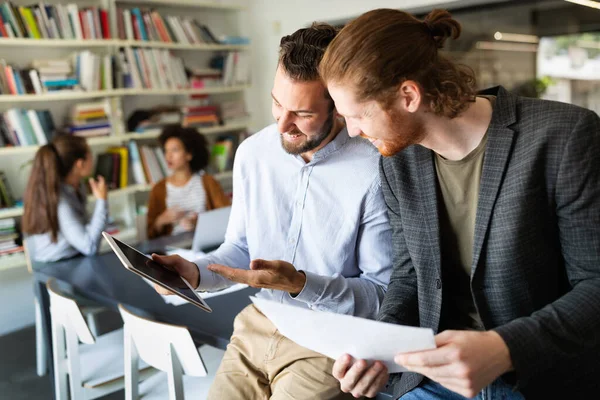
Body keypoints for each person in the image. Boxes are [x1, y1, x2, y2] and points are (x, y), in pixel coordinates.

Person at [318, 8, 600, 400]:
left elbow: (595, 284)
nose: (352, 131)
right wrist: (376, 350)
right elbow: (408, 278)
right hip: (434, 378)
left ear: (408, 96)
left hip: (536, 377)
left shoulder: (565, 135)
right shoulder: (397, 163)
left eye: (357, 115)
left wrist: (505, 348)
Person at [151, 23, 392, 399]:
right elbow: (240, 251)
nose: (282, 124)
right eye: (277, 103)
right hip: (256, 325)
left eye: (302, 113)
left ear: (339, 107)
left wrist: (300, 284)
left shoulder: (375, 170)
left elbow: (381, 293)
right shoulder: (252, 153)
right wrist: (195, 272)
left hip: (328, 342)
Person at [23, 135, 108, 262]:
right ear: (80, 164)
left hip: (75, 258)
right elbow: (89, 246)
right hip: (57, 267)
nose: (93, 158)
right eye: (90, 154)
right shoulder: (61, 201)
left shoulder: (77, 187)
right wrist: (102, 201)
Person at [146, 124, 230, 239]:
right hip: (173, 248)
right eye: (166, 151)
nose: (168, 156)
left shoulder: (208, 182)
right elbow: (150, 234)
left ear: (189, 154)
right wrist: (161, 220)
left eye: (174, 150)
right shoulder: (158, 189)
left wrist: (200, 223)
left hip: (205, 240)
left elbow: (226, 217)